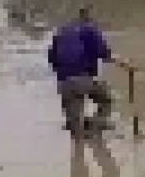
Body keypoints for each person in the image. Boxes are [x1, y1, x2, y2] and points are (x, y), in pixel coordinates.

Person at [47, 10, 129, 138]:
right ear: (89, 19)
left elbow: (51, 59)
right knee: (106, 100)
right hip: (83, 80)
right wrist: (125, 65)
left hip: (63, 84)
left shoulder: (61, 32)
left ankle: (78, 145)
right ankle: (95, 128)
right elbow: (105, 54)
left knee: (74, 126)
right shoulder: (90, 30)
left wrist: (64, 76)